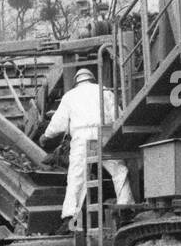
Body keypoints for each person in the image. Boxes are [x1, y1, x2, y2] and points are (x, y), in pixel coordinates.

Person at [39, 67, 133, 232]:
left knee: (77, 176)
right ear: (92, 79)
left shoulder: (70, 96)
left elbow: (58, 122)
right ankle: (125, 208)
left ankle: (71, 219)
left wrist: (46, 136)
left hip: (82, 135)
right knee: (118, 169)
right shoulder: (105, 92)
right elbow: (117, 116)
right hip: (103, 132)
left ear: (76, 81)